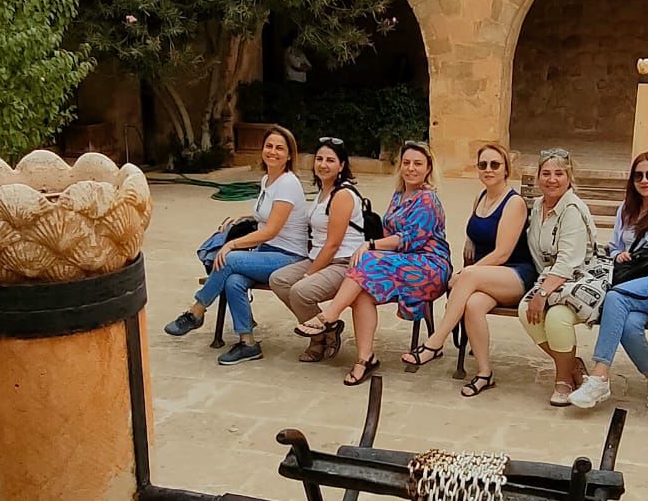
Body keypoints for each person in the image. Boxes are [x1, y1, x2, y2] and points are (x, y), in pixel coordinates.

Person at [295, 140, 451, 385]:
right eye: (406, 163)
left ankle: (330, 315)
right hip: (402, 263)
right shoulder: (400, 195)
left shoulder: (428, 199)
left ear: (429, 168)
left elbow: (409, 239)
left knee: (367, 258)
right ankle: (365, 359)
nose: (411, 168)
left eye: (418, 164)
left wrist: (371, 245)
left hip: (429, 265)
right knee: (362, 291)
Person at [163, 125, 308, 365]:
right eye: (269, 146)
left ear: (290, 155)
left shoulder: (288, 184)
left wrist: (232, 245)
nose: (273, 152)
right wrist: (246, 218)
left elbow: (272, 230)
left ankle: (195, 312)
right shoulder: (267, 180)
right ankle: (247, 343)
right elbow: (268, 218)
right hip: (267, 253)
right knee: (233, 281)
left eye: (280, 148)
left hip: (288, 257)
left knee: (228, 260)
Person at [404, 140, 536, 395]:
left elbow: (502, 253)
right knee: (474, 305)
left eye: (495, 165)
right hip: (485, 275)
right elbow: (476, 229)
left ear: (506, 169)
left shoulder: (514, 203)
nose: (488, 169)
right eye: (483, 164)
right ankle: (484, 373)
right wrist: (469, 240)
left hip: (514, 273)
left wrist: (466, 273)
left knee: (468, 276)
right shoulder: (481, 197)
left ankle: (435, 342)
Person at [568, 153, 648, 410]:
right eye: (639, 175)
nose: (645, 180)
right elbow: (613, 247)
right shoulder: (626, 210)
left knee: (615, 298)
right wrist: (619, 254)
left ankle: (600, 376)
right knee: (627, 325)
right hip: (632, 282)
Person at [269, 137, 367, 361]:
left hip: (343, 263)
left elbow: (333, 244)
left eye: (330, 160)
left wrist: (309, 274)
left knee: (301, 290)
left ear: (341, 165)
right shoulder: (323, 191)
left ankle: (317, 337)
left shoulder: (342, 195)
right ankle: (328, 330)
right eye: (320, 159)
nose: (323, 164)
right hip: (319, 257)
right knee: (279, 280)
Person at [518, 148, 599, 407]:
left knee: (555, 318)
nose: (552, 179)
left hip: (579, 280)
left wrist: (542, 294)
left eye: (559, 174)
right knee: (525, 311)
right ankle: (573, 365)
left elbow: (568, 262)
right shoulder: (539, 205)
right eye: (546, 173)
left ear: (569, 177)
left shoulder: (572, 209)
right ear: (538, 176)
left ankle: (563, 379)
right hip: (551, 278)